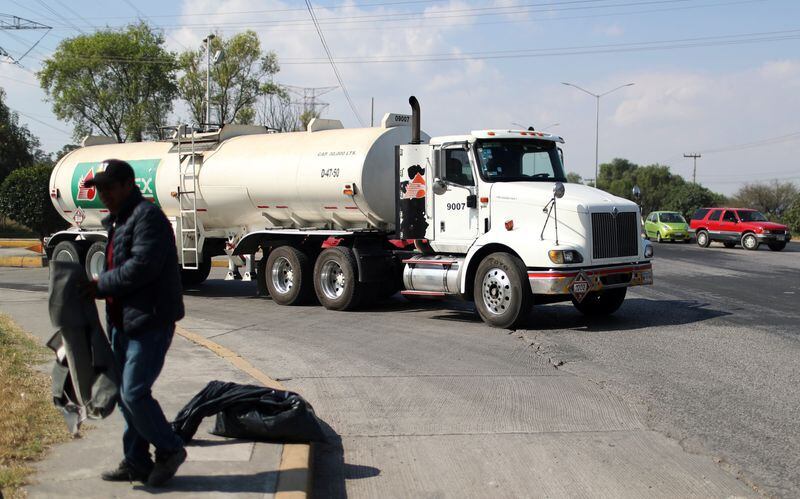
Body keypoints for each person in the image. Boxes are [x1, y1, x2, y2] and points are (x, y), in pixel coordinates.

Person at [82, 159, 186, 487]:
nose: (103, 195)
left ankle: (170, 449)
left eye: (109, 188)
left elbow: (143, 266)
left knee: (134, 393)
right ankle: (136, 461)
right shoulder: (119, 220)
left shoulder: (147, 218)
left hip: (150, 320)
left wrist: (101, 285)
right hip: (122, 321)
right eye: (99, 189)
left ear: (128, 184)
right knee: (127, 394)